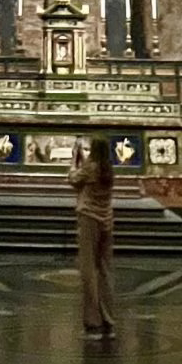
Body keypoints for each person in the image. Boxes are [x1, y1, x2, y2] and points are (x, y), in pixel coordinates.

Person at [72, 135, 116, 340]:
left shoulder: (91, 167)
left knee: (88, 269)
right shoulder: (108, 169)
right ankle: (108, 321)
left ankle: (93, 324)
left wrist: (75, 160)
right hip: (107, 219)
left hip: (89, 218)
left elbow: (73, 179)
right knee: (105, 271)